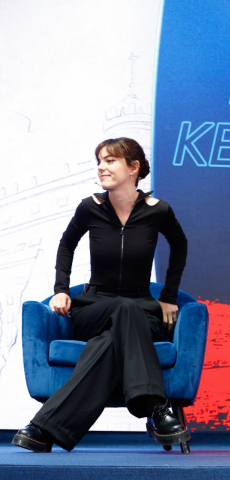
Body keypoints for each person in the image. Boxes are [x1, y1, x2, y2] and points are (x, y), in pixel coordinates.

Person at [12, 137, 190, 453]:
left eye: (110, 161)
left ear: (133, 168)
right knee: (122, 308)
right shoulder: (90, 207)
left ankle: (42, 429)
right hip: (93, 308)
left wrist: (169, 295)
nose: (101, 167)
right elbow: (66, 245)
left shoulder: (158, 211)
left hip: (142, 312)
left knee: (107, 343)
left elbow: (180, 245)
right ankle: (155, 407)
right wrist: (60, 290)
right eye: (100, 161)